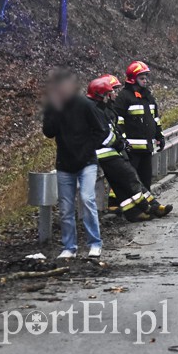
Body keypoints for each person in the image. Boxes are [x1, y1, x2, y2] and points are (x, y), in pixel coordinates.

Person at [42, 68, 107, 258]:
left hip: (86, 161)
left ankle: (95, 243)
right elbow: (49, 132)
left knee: (87, 199)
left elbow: (101, 130)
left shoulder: (85, 105)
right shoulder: (53, 107)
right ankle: (69, 246)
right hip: (65, 164)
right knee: (66, 207)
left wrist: (88, 150)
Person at [86, 76, 153, 222]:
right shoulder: (96, 110)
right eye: (112, 91)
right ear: (103, 95)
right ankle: (148, 206)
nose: (116, 94)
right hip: (105, 154)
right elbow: (105, 135)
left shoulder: (103, 109)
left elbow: (113, 130)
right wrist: (119, 143)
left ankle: (133, 213)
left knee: (120, 186)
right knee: (130, 177)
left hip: (108, 152)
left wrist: (120, 141)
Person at [114, 60, 172, 218]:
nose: (145, 80)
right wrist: (123, 141)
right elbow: (117, 122)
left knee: (145, 179)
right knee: (132, 180)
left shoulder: (148, 97)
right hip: (131, 149)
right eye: (142, 77)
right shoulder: (123, 97)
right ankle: (134, 209)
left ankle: (147, 208)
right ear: (132, 78)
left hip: (147, 148)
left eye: (146, 77)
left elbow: (155, 119)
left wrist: (159, 136)